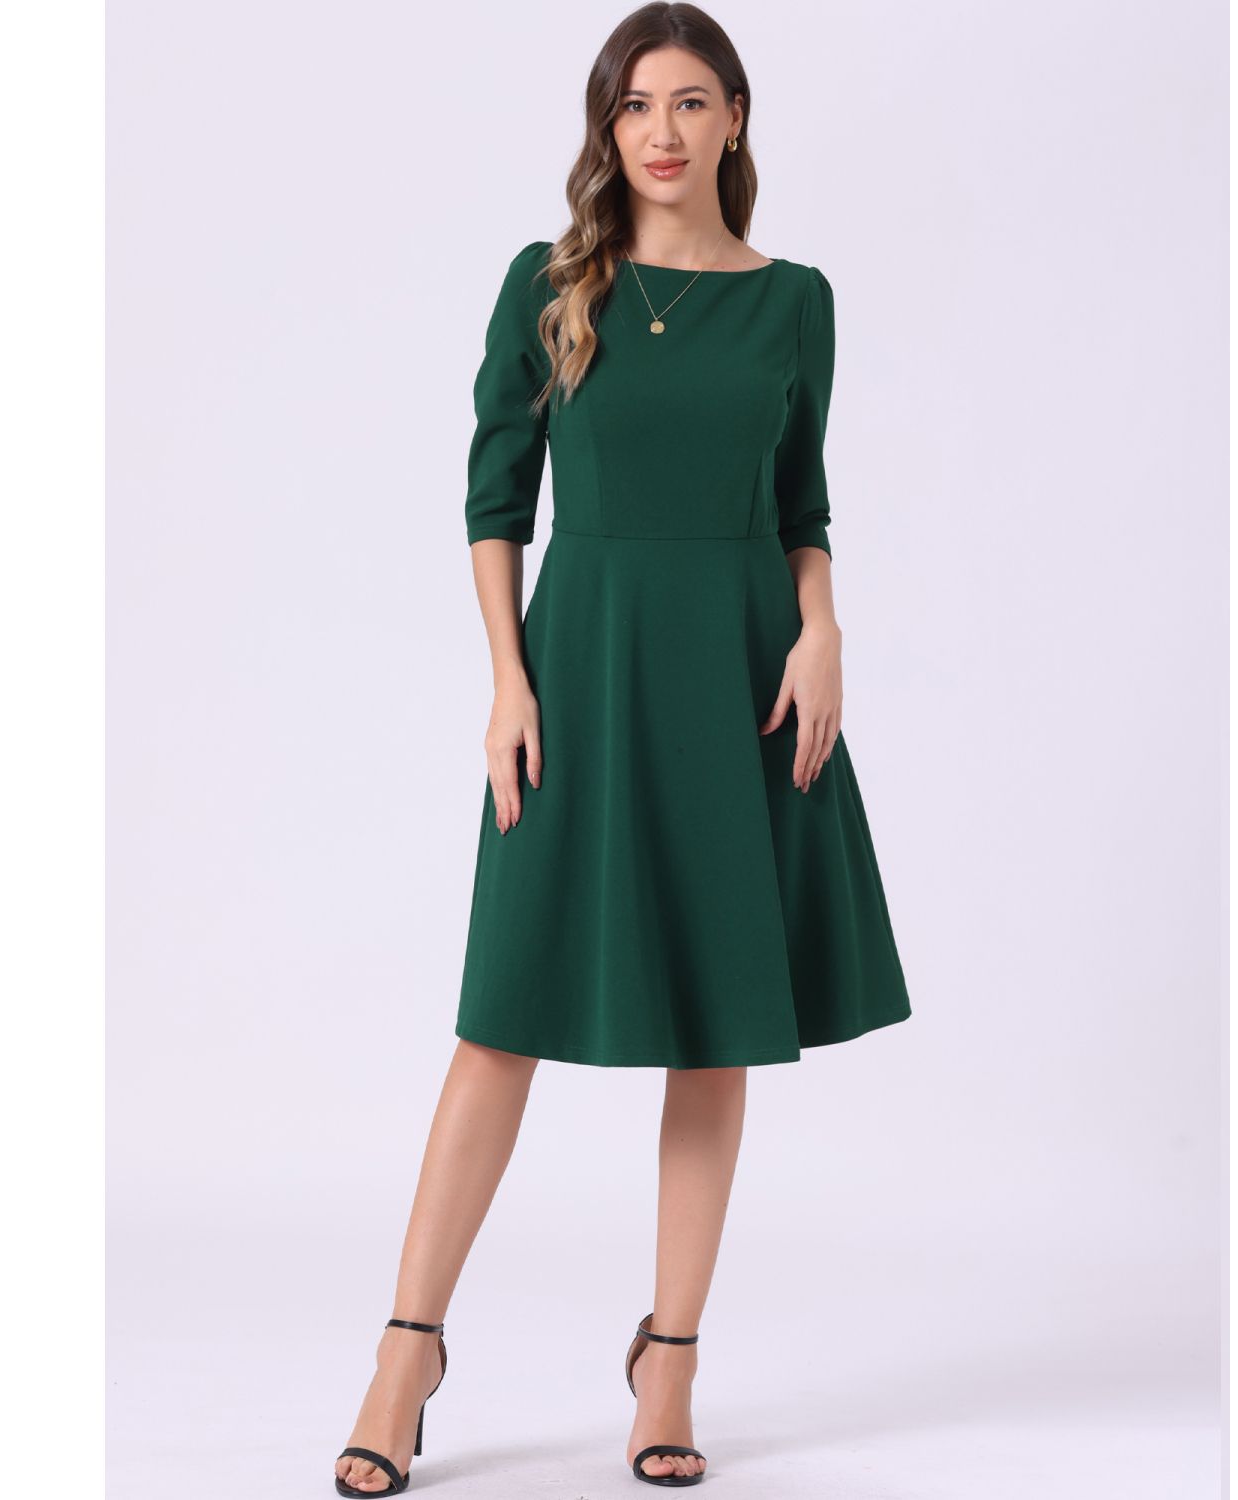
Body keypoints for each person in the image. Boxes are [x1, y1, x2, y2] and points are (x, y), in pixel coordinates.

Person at [334, 4, 911, 1491]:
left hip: (743, 677)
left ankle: (671, 1363)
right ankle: (406, 1352)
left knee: (717, 1027)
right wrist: (508, 682)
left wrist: (823, 626)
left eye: (692, 101)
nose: (662, 130)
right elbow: (495, 498)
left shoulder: (795, 302)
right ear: (608, 126)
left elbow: (803, 502)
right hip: (582, 673)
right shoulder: (551, 284)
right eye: (636, 104)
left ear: (735, 120)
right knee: (500, 1019)